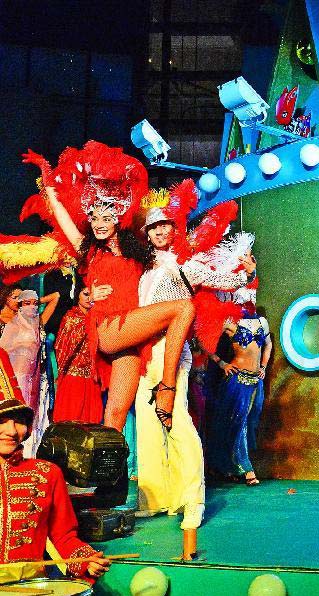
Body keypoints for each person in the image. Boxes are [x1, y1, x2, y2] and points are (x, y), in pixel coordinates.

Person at [22, 143, 196, 433]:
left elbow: (165, 239)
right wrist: (46, 171)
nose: (99, 224)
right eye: (94, 218)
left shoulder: (139, 253)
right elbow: (62, 215)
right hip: (109, 329)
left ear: (118, 220)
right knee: (184, 308)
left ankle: (108, 478)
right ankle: (167, 387)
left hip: (130, 336)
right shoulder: (89, 252)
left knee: (115, 414)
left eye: (105, 218)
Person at [134, 201, 253, 530]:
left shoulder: (185, 262)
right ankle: (155, 499)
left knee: (176, 421)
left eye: (165, 226)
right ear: (146, 233)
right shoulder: (143, 266)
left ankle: (193, 499)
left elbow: (223, 282)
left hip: (173, 350)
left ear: (175, 230)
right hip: (143, 351)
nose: (159, 231)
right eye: (153, 227)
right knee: (147, 424)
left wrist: (248, 273)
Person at [0, 347, 110, 581]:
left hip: (30, 588)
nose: (11, 431)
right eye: (1, 421)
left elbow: (63, 537)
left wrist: (84, 560)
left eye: (18, 421)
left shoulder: (47, 473)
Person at [207, 280, 271, 487]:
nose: (247, 297)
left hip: (255, 382)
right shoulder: (229, 321)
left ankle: (230, 467)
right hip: (236, 381)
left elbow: (268, 345)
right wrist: (222, 363)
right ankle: (247, 469)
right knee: (238, 423)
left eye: (250, 293)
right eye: (242, 293)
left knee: (248, 423)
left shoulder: (262, 322)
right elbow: (203, 341)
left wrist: (263, 367)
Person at [0, 289, 59, 457]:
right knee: (18, 415)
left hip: (35, 378)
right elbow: (3, 353)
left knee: (34, 416)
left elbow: (56, 297)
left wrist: (33, 298)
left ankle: (29, 456)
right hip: (16, 378)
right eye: (26, 303)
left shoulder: (37, 323)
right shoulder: (12, 325)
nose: (32, 307)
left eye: (35, 304)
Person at [52, 284, 103, 423]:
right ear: (77, 296)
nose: (89, 298)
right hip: (73, 377)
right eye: (86, 294)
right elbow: (62, 346)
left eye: (92, 295)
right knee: (70, 420)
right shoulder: (70, 317)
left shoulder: (100, 317)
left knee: (92, 421)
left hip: (93, 378)